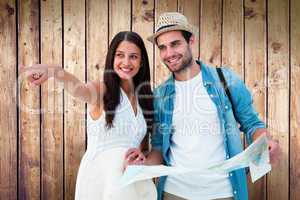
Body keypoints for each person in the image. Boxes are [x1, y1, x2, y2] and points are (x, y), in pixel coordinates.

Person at [144, 12, 281, 200]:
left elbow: (252, 125)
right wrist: (140, 166)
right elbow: (159, 148)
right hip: (174, 192)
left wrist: (267, 143)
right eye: (163, 47)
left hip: (223, 193)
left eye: (175, 44)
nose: (169, 54)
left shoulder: (226, 80)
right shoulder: (161, 95)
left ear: (191, 41)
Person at [20, 31, 157, 200]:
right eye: (120, 55)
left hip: (132, 180)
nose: (126, 62)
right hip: (100, 179)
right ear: (112, 59)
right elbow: (79, 89)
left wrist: (140, 159)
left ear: (142, 61)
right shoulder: (101, 89)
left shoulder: (146, 99)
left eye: (133, 57)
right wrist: (54, 71)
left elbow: (143, 148)